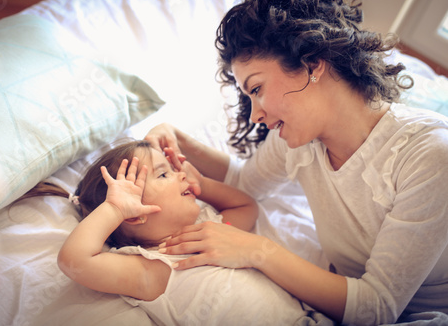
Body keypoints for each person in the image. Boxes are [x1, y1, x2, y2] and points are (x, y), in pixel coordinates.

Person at [144, 0, 448, 325]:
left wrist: (256, 251)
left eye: (257, 89)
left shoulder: (429, 155)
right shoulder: (299, 140)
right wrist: (177, 137)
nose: (256, 115)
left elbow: (377, 308)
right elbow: (244, 184)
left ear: (311, 65)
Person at [18, 139, 332, 325]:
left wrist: (204, 185)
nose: (180, 174)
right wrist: (113, 209)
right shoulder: (153, 266)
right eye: (164, 174)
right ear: (134, 214)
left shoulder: (212, 232)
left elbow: (246, 208)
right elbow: (75, 261)